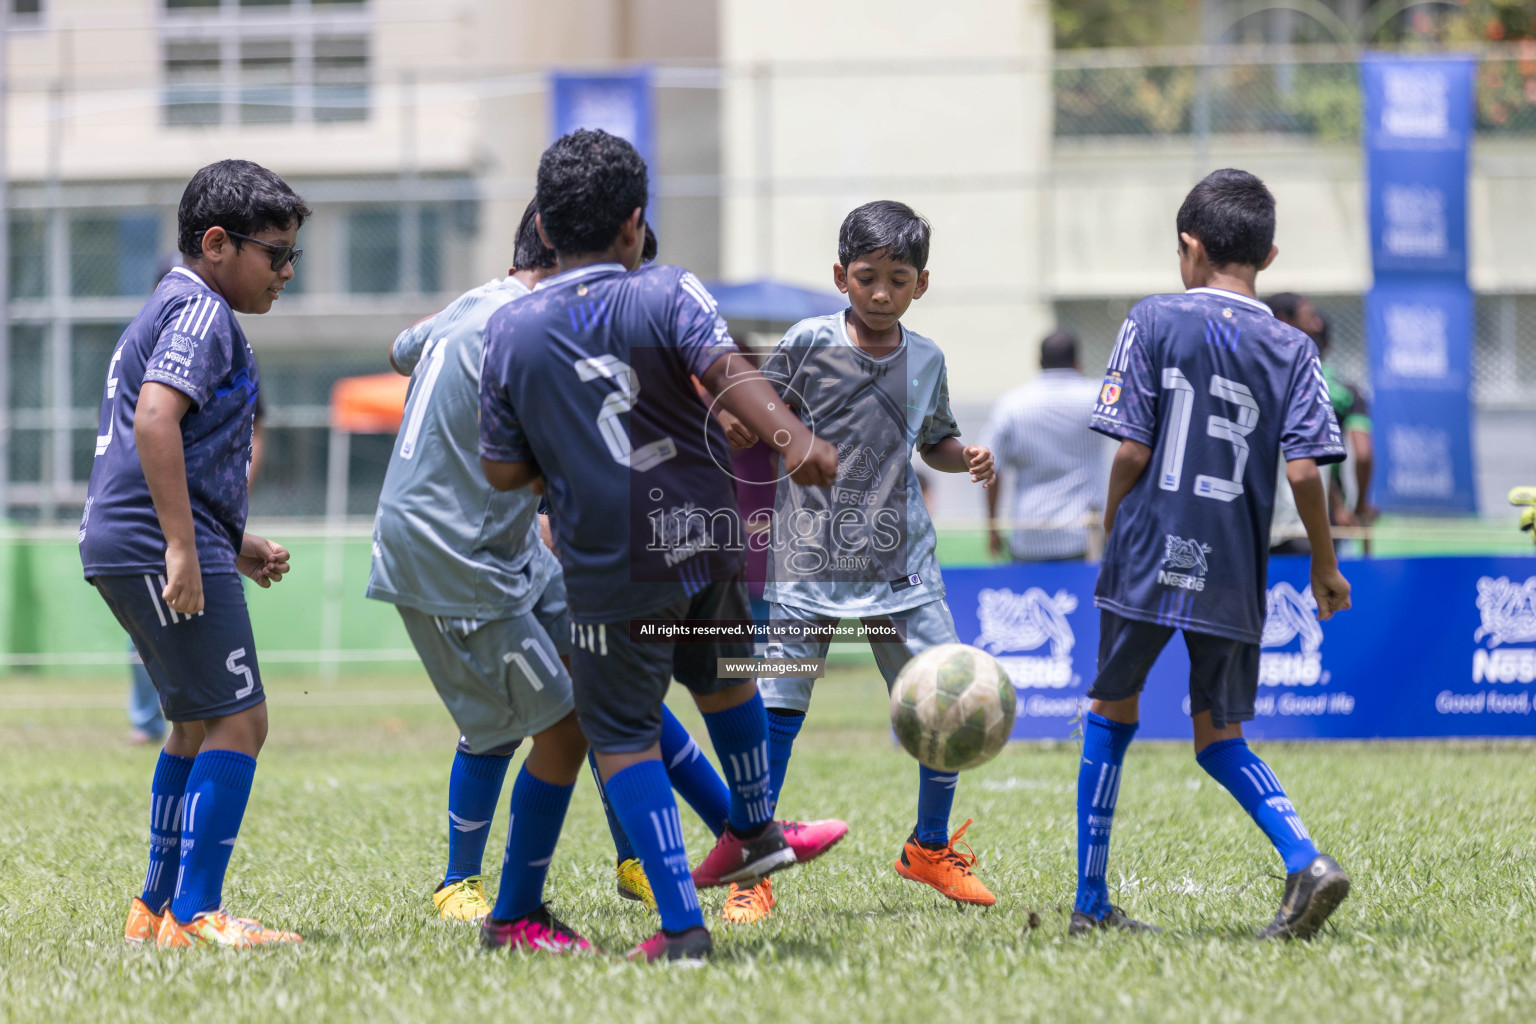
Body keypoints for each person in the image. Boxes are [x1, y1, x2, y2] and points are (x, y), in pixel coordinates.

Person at [478, 129, 844, 963]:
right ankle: (751, 827)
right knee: (722, 678)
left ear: (544, 225)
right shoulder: (668, 289)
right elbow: (726, 371)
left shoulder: (513, 331)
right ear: (634, 224)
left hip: (610, 561)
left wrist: (560, 463)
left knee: (623, 735)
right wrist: (794, 441)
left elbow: (501, 471)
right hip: (705, 534)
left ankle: (682, 931)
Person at [366, 203, 735, 939]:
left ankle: (742, 832)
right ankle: (506, 909)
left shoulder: (485, 304)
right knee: (562, 728)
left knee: (615, 680)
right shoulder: (535, 327)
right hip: (454, 556)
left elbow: (403, 348)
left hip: (502, 546)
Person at [1074, 168, 1352, 940]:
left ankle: (1090, 906)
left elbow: (1131, 451)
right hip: (1233, 565)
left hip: (1148, 549)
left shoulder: (1153, 318)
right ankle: (1306, 859)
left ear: (1190, 247)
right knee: (1218, 734)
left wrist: (1111, 525)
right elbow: (1304, 470)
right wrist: (1325, 567)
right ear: (1267, 250)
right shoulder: (1294, 347)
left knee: (1108, 711)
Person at [748, 200, 998, 925]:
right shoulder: (804, 342)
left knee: (947, 702)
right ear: (840, 277)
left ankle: (928, 848)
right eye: (867, 277)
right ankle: (753, 863)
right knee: (776, 712)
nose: (881, 292)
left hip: (901, 566)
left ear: (921, 283)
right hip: (808, 562)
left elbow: (935, 442)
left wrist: (965, 457)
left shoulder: (928, 359)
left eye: (898, 278)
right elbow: (761, 414)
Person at [82, 159, 308, 948]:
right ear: (217, 244)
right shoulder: (204, 313)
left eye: (294, 256)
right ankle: (198, 913)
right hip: (153, 539)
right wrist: (183, 545)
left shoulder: (171, 304)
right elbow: (154, 422)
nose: (286, 271)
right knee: (242, 722)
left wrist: (228, 543)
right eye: (275, 253)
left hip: (127, 539)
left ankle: (154, 906)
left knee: (192, 723)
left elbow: (174, 439)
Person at [984, 329, 1111, 562]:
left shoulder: (1011, 404)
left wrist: (993, 526)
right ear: (1077, 362)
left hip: (1028, 533)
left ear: (1039, 361)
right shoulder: (1097, 398)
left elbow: (990, 467)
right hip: (1082, 534)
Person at [1266, 294, 1375, 536]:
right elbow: (1363, 455)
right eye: (1309, 318)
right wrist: (1355, 507)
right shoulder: (1333, 389)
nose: (1314, 324)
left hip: (1260, 520)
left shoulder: (1258, 375)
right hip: (1312, 518)